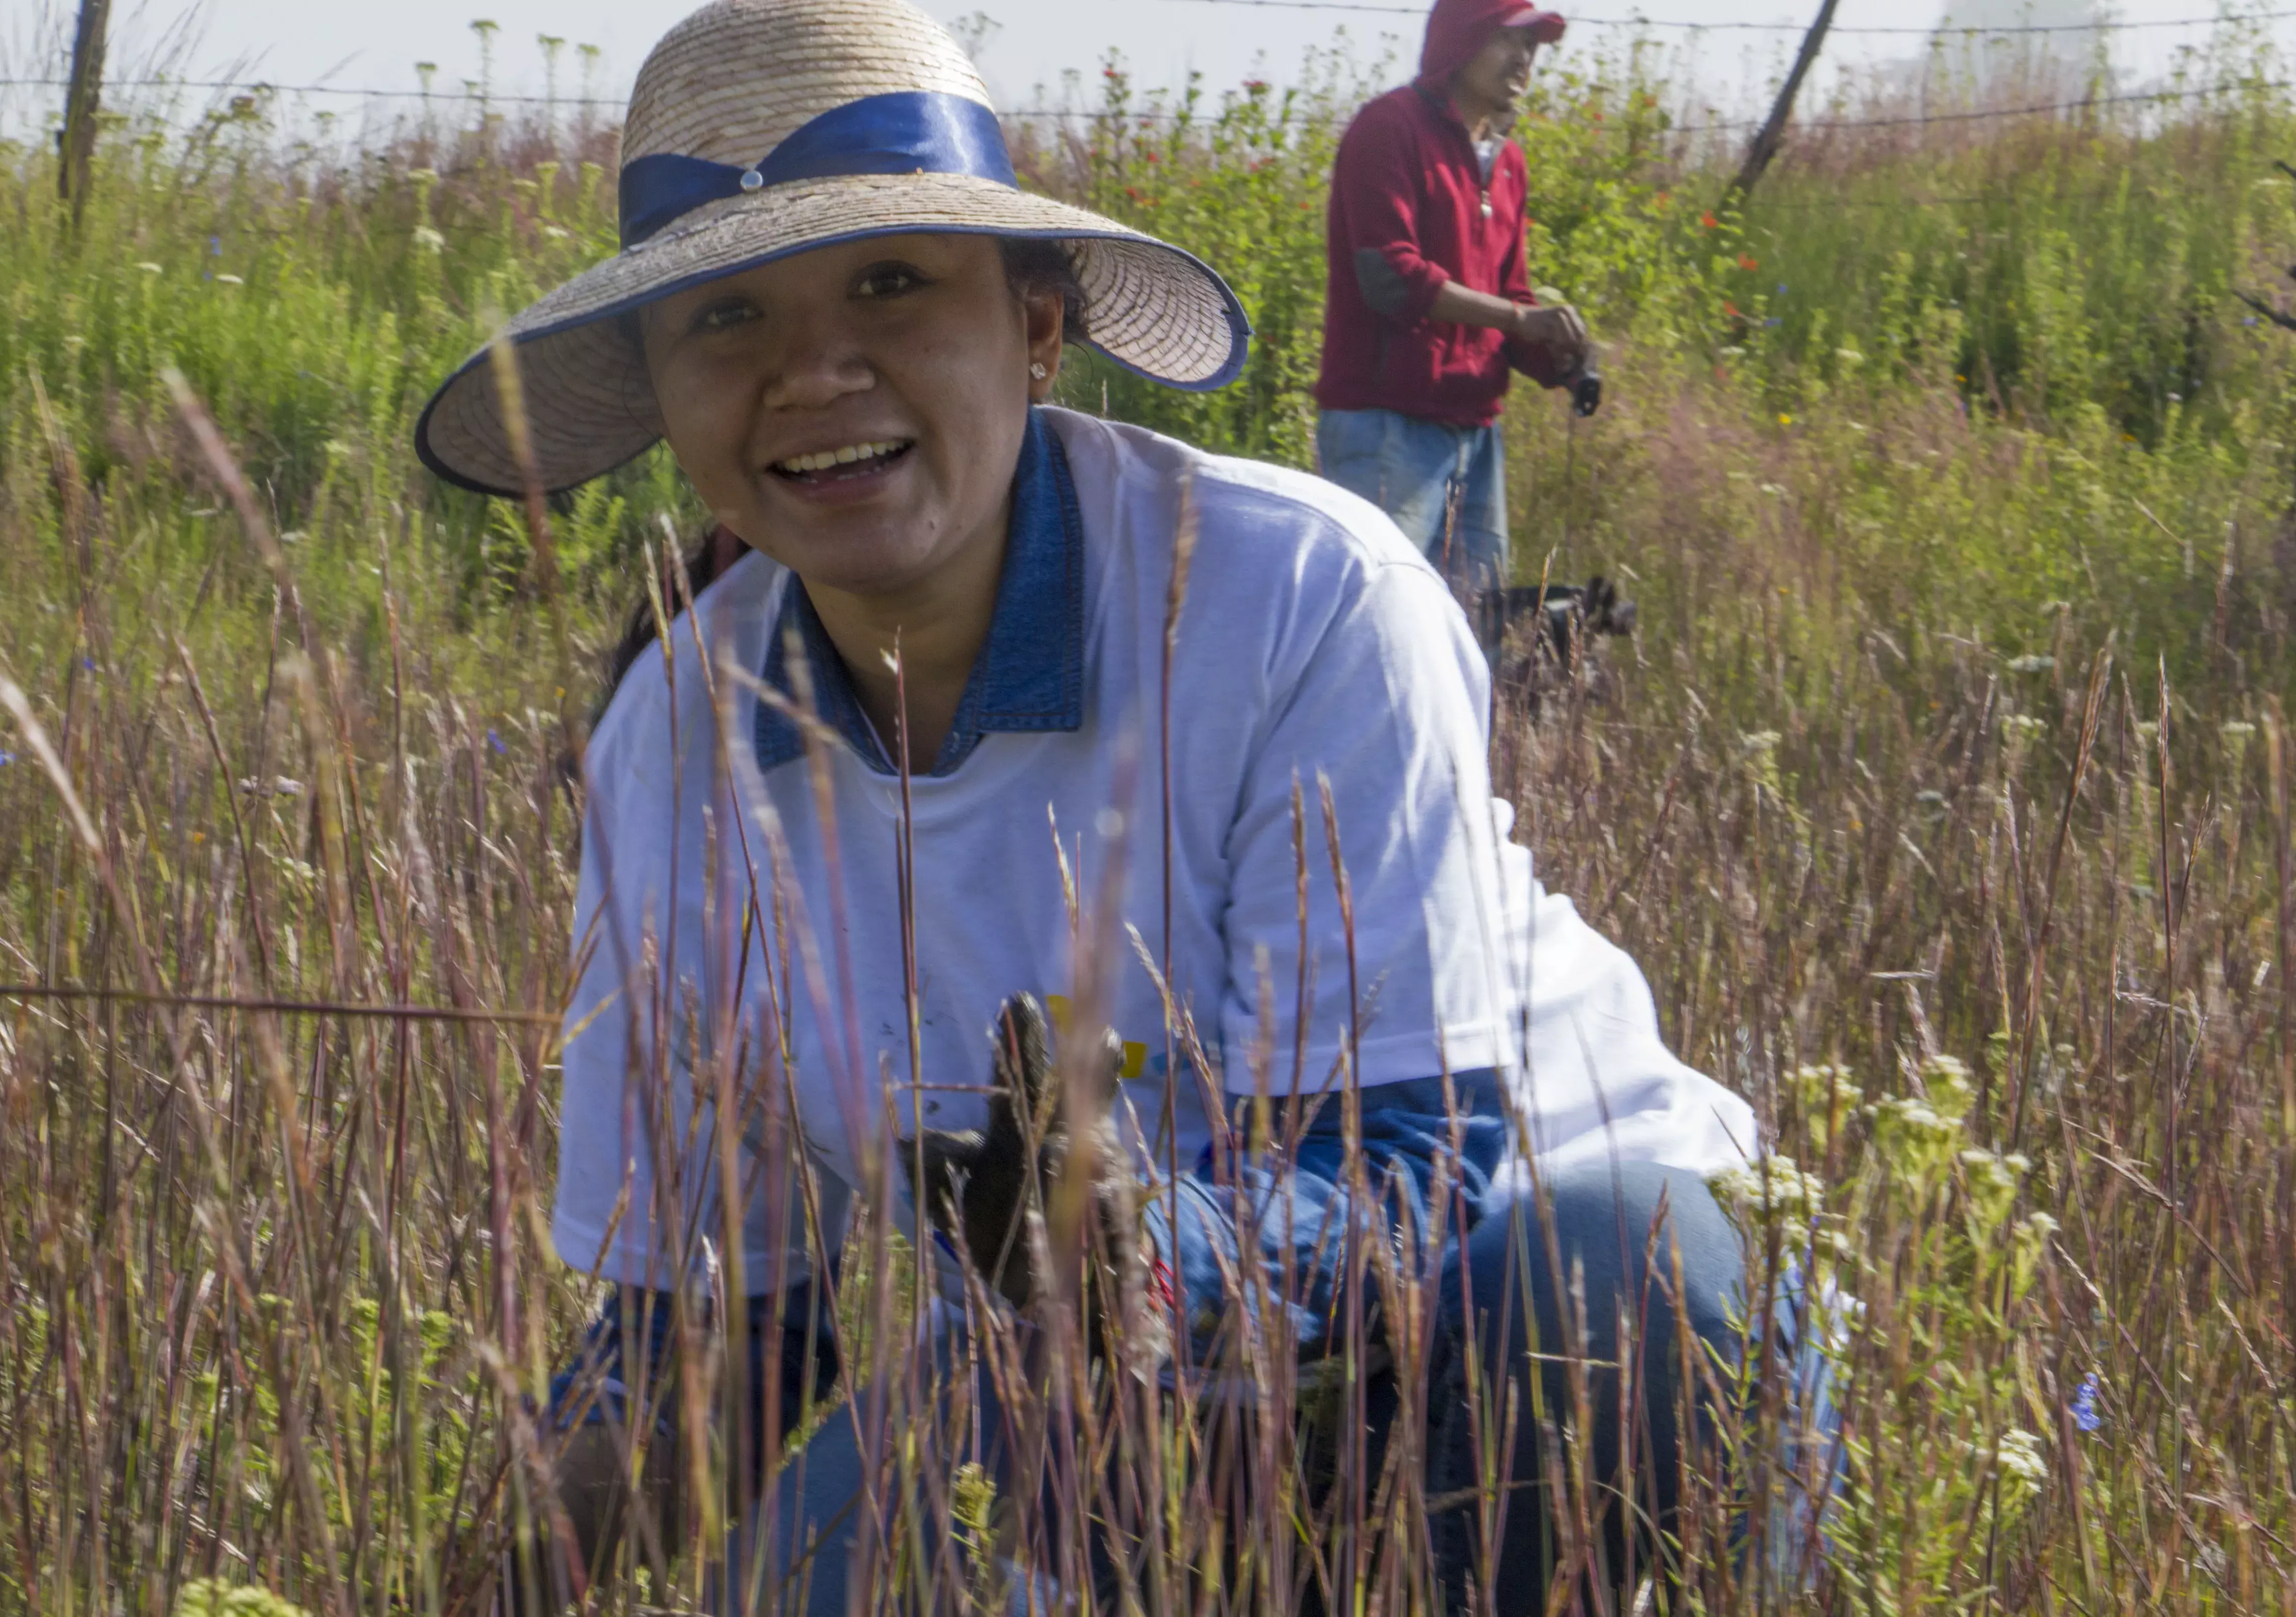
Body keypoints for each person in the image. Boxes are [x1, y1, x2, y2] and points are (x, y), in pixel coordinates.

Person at [416, 1, 1822, 1610]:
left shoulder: (1289, 595)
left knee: (1621, 1261)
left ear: (1034, 326)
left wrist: (1146, 1256)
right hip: (1097, 1388)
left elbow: (1421, 1166)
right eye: (724, 317)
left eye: (889, 282)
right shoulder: (676, 742)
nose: (813, 371)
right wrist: (487, 1577)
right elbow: (723, 1319)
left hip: (1543, 1331)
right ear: (664, 392)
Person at [1314, 0, 1591, 593]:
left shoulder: (1508, 162)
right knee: (1376, 619)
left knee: (1473, 634)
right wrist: (1522, 318)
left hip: (1475, 431)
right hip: (1385, 422)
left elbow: (1507, 291)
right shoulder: (1388, 129)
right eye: (1508, 40)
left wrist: (1556, 358)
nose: (1524, 58)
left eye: (1532, 46)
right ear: (1460, 41)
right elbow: (1389, 277)